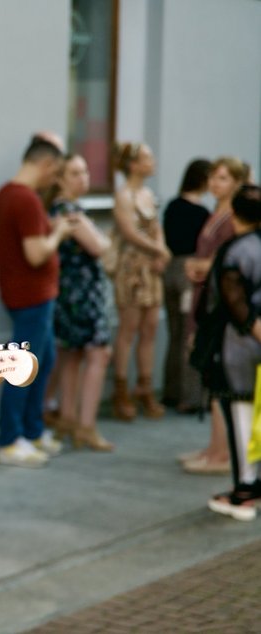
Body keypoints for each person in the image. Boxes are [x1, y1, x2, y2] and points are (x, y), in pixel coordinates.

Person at [0, 134, 70, 468]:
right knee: (23, 368)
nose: (55, 180)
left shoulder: (9, 194)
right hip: (31, 296)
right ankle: (11, 439)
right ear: (47, 164)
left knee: (44, 362)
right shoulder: (24, 199)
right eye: (56, 173)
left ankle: (33, 431)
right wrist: (60, 233)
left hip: (32, 295)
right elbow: (36, 253)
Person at [179, 156, 249, 474]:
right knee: (209, 375)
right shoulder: (214, 214)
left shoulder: (234, 217)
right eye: (213, 177)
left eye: (222, 178)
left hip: (218, 303)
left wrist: (202, 267)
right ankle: (214, 447)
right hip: (203, 296)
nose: (214, 184)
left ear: (236, 182)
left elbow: (228, 262)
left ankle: (223, 453)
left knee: (219, 376)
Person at [199, 185, 261, 520]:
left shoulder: (235, 251)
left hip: (240, 345)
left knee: (242, 413)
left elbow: (234, 304)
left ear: (234, 213)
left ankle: (244, 491)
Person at [46, 154, 114, 451]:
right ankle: (85, 425)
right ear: (60, 178)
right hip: (80, 296)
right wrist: (107, 240)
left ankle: (69, 419)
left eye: (86, 171)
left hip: (71, 293)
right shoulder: (69, 210)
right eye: (74, 173)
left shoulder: (64, 208)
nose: (83, 178)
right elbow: (99, 246)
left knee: (71, 355)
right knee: (98, 354)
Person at [109, 142, 172, 421]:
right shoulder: (124, 195)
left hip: (152, 268)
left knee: (149, 329)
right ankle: (121, 390)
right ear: (132, 164)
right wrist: (158, 250)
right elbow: (129, 231)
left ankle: (144, 387)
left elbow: (156, 227)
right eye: (146, 157)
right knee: (129, 329)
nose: (152, 161)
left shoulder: (148, 193)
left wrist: (161, 251)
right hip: (132, 269)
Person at [161, 159, 212, 413]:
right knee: (189, 333)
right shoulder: (202, 212)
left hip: (170, 269)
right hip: (189, 271)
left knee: (174, 333)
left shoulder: (172, 205)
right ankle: (188, 396)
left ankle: (170, 390)